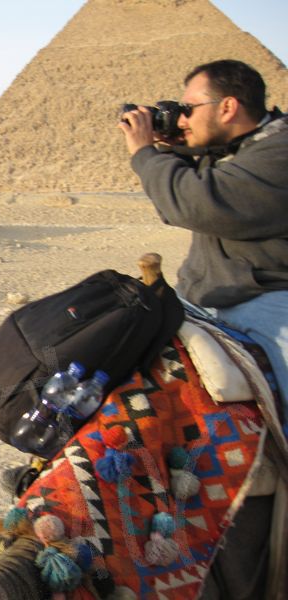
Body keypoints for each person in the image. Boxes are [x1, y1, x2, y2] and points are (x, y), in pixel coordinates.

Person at [118, 59, 288, 420]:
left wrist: (145, 152)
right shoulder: (232, 151)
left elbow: (195, 203)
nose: (182, 119)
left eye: (189, 110)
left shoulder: (279, 152)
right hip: (202, 298)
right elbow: (171, 203)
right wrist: (176, 146)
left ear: (228, 107)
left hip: (269, 298)